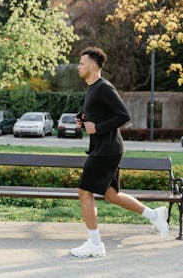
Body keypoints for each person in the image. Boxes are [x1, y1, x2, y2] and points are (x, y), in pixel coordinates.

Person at [70, 46, 169, 258]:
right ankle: (155, 215)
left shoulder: (104, 87)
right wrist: (86, 119)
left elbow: (123, 115)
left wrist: (97, 127)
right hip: (104, 149)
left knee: (84, 191)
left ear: (94, 66)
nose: (78, 67)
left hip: (107, 150)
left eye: (82, 63)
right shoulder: (92, 88)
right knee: (111, 195)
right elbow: (103, 115)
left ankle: (95, 244)